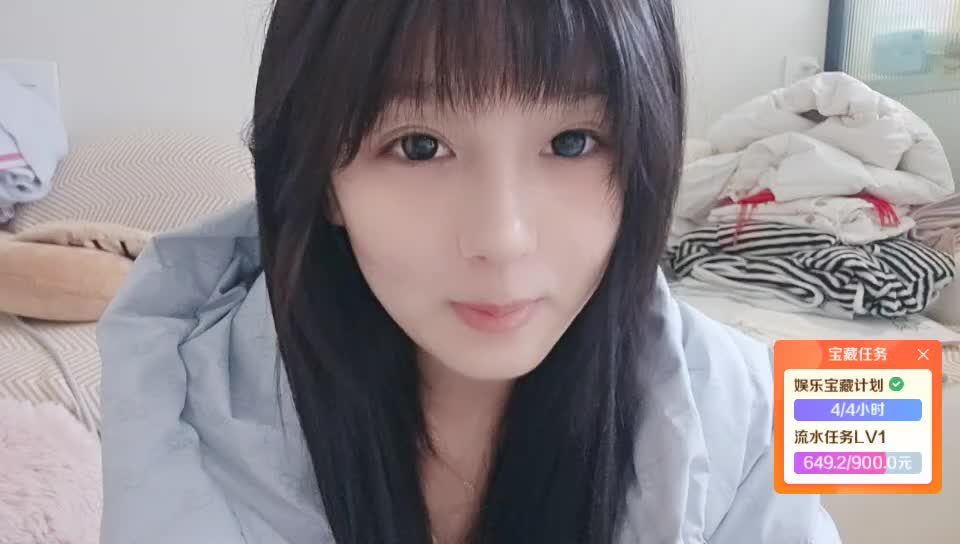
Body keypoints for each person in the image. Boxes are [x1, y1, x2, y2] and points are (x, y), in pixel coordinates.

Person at [97, 0, 841, 542]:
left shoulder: (765, 410)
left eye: (573, 142)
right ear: (323, 179)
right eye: (419, 146)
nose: (502, 239)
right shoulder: (178, 404)